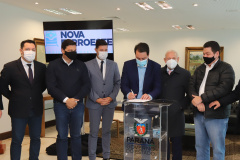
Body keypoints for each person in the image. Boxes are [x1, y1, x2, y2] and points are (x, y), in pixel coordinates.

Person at [0, 39, 46, 160]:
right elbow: (2, 87)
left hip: (36, 109)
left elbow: (43, 85)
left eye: (33, 50)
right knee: (17, 140)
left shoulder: (41, 67)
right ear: (21, 51)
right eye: (27, 49)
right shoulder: (10, 67)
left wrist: (33, 95)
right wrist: (14, 97)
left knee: (36, 138)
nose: (30, 52)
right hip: (18, 110)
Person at [188, 41, 235, 160]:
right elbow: (191, 85)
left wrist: (202, 99)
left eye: (208, 54)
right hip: (199, 113)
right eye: (203, 54)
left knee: (218, 148)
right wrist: (196, 101)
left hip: (216, 115)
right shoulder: (200, 69)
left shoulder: (226, 68)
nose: (205, 56)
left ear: (217, 53)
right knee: (200, 146)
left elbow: (223, 89)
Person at [46, 39, 91, 160]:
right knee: (62, 136)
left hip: (78, 105)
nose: (73, 52)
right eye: (70, 50)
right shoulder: (53, 65)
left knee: (76, 135)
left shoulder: (81, 65)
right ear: (62, 50)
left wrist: (75, 99)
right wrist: (66, 100)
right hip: (60, 105)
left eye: (74, 50)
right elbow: (51, 87)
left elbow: (86, 85)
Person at [121, 42, 161, 159]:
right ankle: (128, 157)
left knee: (145, 136)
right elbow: (123, 84)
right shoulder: (128, 65)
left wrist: (150, 95)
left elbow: (158, 87)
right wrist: (128, 93)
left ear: (148, 55)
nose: (140, 60)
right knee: (129, 136)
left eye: (143, 58)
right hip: (130, 107)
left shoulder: (155, 66)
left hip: (146, 108)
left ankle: (146, 157)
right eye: (138, 58)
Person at [85, 39, 120, 160]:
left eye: (106, 50)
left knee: (106, 131)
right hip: (95, 103)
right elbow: (86, 85)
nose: (104, 52)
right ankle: (92, 157)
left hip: (109, 104)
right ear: (96, 50)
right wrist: (97, 99)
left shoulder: (113, 64)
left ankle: (106, 156)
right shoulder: (88, 65)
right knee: (94, 132)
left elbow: (117, 83)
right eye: (101, 50)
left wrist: (110, 97)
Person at [160, 50, 191, 160]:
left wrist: (180, 106)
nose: (171, 60)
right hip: (161, 114)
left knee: (177, 144)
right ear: (164, 60)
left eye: (173, 58)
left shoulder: (185, 74)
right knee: (163, 144)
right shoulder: (159, 72)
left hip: (177, 114)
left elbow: (190, 94)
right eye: (168, 58)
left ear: (178, 59)